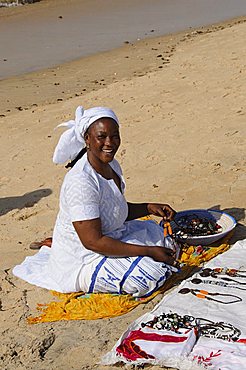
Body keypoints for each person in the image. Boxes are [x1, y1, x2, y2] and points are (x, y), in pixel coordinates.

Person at [13, 106, 179, 297]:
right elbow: (93, 242)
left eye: (115, 136)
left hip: (110, 236)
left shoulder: (111, 165)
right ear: (87, 140)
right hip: (85, 257)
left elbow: (114, 209)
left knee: (167, 239)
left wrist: (149, 207)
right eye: (102, 136)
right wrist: (148, 251)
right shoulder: (81, 181)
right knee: (152, 275)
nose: (110, 143)